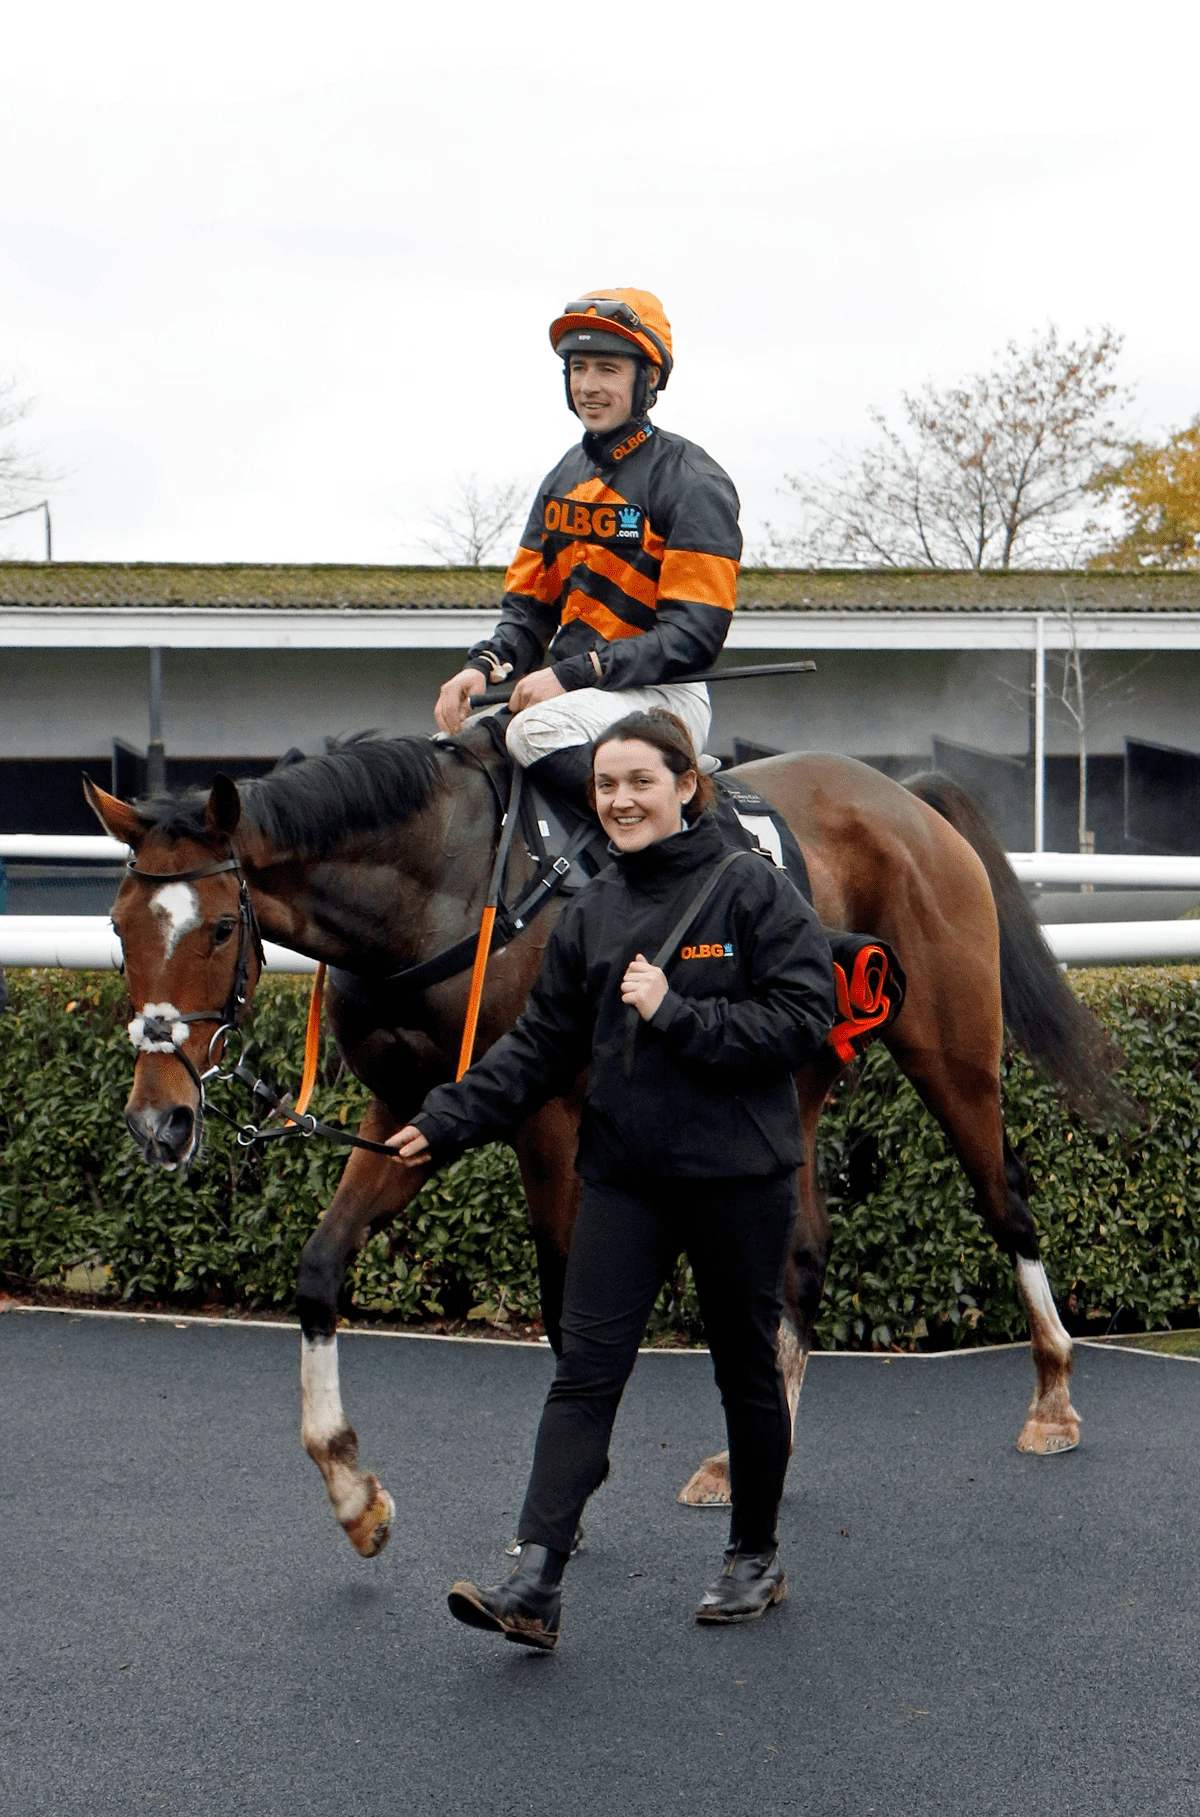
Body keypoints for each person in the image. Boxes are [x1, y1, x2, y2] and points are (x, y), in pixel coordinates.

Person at [388, 710, 836, 1650]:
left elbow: (802, 1021)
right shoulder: (588, 912)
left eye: (639, 780)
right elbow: (539, 1049)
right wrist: (442, 1120)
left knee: (747, 1374)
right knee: (583, 1377)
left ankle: (754, 1553)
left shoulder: (752, 891)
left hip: (738, 1178)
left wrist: (677, 1013)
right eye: (605, 785)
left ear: (687, 786)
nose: (620, 799)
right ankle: (535, 1582)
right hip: (626, 1179)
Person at [432, 290, 742, 812]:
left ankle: (670, 847)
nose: (589, 386)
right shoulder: (562, 478)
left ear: (646, 380)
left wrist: (573, 674)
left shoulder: (694, 481)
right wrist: (482, 668)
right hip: (576, 697)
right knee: (452, 751)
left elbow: (693, 637)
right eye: (578, 368)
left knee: (532, 732)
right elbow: (529, 613)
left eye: (608, 369)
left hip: (665, 696)